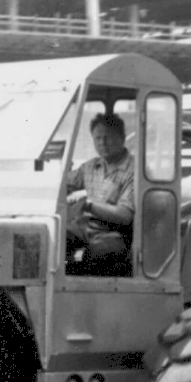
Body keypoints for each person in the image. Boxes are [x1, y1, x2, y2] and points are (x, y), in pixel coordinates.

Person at [65, 112, 135, 275]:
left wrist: (88, 205)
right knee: (53, 240)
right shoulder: (90, 166)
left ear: (122, 138)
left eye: (107, 137)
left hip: (111, 232)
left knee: (99, 252)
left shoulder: (133, 171)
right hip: (82, 227)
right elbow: (65, 183)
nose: (102, 143)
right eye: (97, 138)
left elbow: (125, 215)